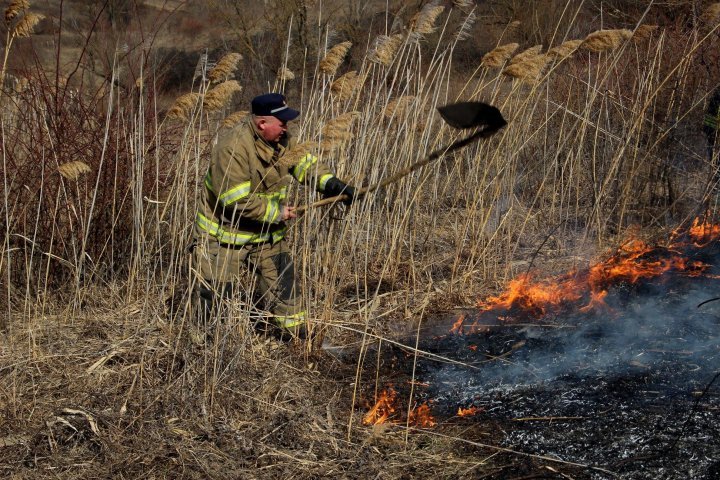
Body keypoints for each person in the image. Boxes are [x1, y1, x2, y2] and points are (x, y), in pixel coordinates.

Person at [193, 93, 356, 340]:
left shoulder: (283, 140)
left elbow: (305, 165)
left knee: (285, 286)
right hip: (224, 236)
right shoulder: (232, 148)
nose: (286, 128)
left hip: (266, 234)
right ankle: (204, 345)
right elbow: (234, 200)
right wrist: (276, 213)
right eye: (282, 123)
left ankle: (296, 337)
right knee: (214, 294)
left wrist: (332, 184)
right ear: (262, 124)